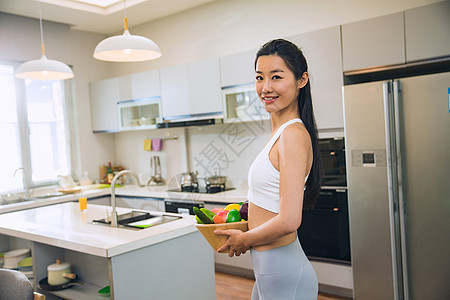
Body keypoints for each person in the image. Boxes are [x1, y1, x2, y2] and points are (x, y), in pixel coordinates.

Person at [215, 39, 322, 299]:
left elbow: (289, 220)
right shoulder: (280, 133)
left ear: (301, 79)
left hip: (286, 275)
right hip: (269, 274)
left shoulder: (293, 135)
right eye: (259, 77)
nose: (265, 88)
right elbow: (272, 199)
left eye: (276, 77)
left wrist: (245, 239)